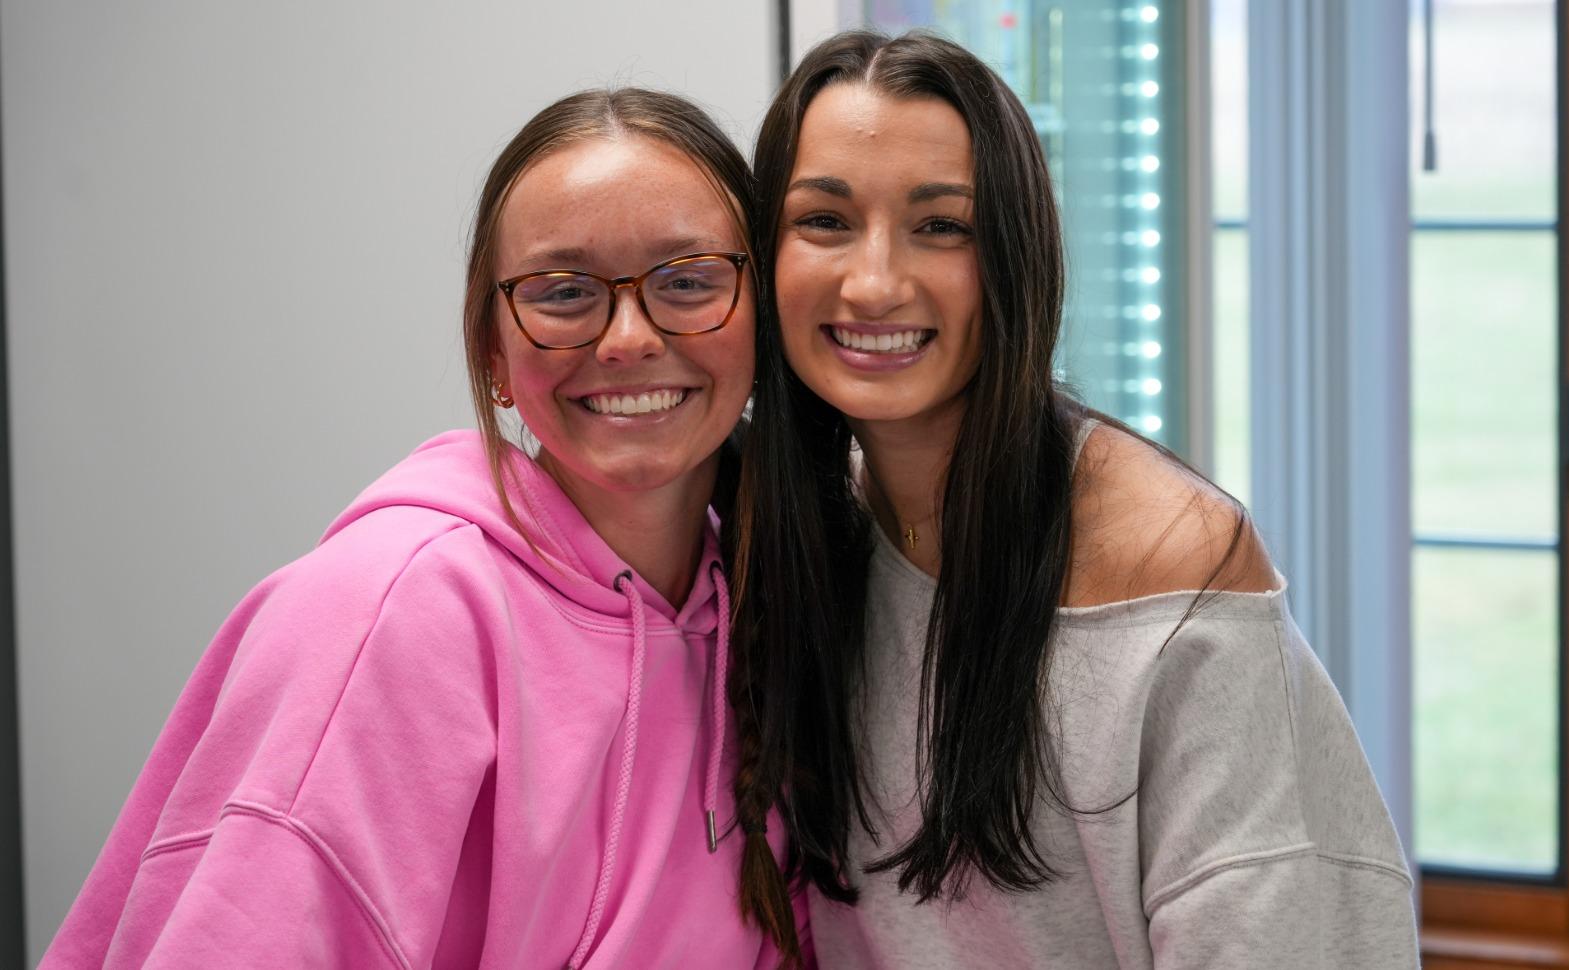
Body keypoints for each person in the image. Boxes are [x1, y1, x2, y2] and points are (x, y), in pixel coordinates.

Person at [42, 88, 805, 969]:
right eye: (563, 293)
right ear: (493, 354)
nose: (628, 337)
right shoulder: (389, 611)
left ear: (763, 319)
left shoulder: (768, 609)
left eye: (686, 281)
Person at [727, 30, 1419, 969]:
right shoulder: (805, 529)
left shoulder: (1172, 571)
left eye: (943, 226)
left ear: (1013, 257)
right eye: (824, 221)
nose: (875, 281)